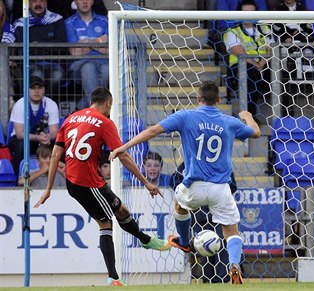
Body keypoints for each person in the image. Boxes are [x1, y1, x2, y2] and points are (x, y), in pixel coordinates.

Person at [108, 80, 261, 284]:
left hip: (194, 185)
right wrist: (248, 117)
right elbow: (256, 133)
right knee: (231, 230)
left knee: (180, 206)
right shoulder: (228, 122)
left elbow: (152, 131)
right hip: (221, 188)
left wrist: (124, 147)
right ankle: (234, 264)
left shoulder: (186, 116)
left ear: (198, 98)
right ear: (218, 100)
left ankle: (184, 241)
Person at [33, 87, 171, 287]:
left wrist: (48, 188)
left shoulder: (71, 118)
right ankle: (115, 277)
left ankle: (143, 241)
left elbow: (55, 154)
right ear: (108, 103)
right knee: (106, 223)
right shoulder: (105, 123)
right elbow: (122, 154)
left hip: (75, 181)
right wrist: (146, 182)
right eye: (110, 107)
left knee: (121, 210)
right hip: (88, 183)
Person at [223, 0, 273, 119]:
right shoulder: (233, 32)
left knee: (283, 74)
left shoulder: (265, 28)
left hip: (264, 64)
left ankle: (287, 117)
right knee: (252, 74)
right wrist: (257, 66)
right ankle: (250, 116)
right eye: (245, 12)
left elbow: (271, 49)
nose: (249, 15)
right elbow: (240, 54)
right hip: (241, 67)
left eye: (252, 12)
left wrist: (261, 64)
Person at [8, 76, 59, 177]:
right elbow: (19, 134)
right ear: (27, 90)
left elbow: (54, 132)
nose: (37, 91)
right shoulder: (20, 105)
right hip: (22, 139)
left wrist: (48, 137)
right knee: (21, 145)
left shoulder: (51, 104)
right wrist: (37, 137)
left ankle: (58, 176)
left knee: (59, 145)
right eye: (33, 88)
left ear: (44, 90)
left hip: (42, 138)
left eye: (39, 88)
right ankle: (19, 177)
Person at [13, 0, 67, 91]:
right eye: (34, 1)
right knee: (38, 74)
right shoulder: (20, 23)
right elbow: (22, 51)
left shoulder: (57, 19)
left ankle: (47, 100)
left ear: (46, 3)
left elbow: (61, 47)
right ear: (29, 4)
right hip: (31, 64)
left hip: (54, 63)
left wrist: (37, 45)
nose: (38, 4)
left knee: (57, 75)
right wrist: (48, 45)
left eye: (41, 1)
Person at [65, 0, 109, 110]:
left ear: (93, 1)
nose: (84, 2)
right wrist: (99, 41)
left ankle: (82, 107)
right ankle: (98, 111)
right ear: (75, 1)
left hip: (103, 62)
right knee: (89, 67)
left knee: (106, 70)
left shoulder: (105, 20)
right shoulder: (69, 22)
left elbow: (109, 50)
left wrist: (86, 43)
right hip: (79, 65)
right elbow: (75, 52)